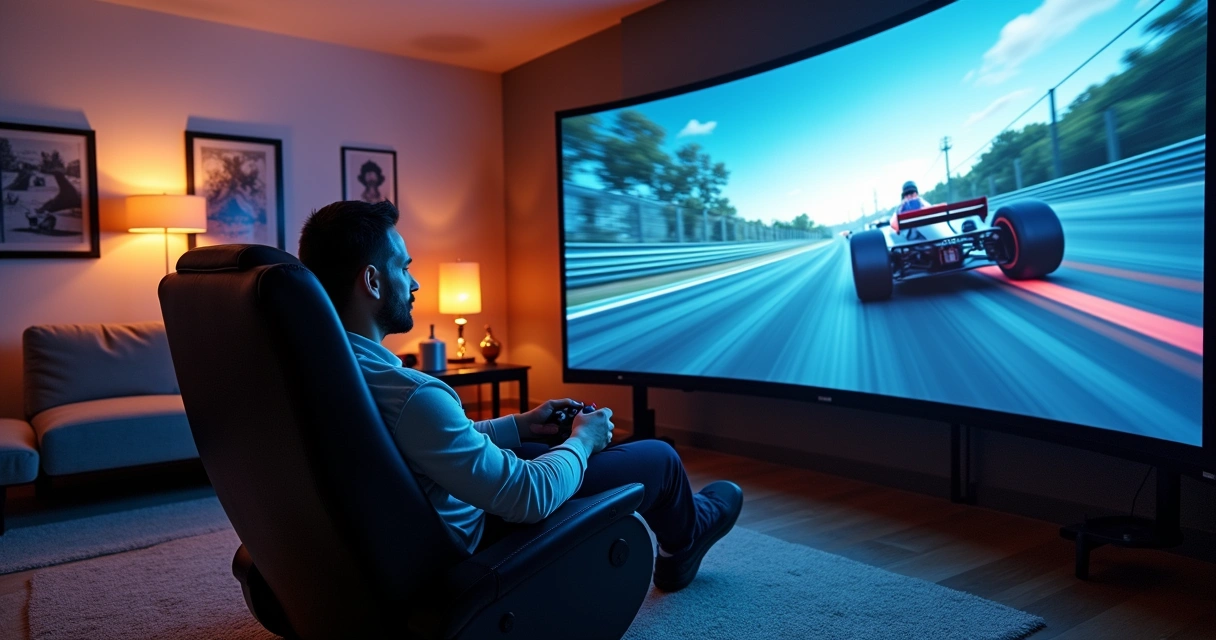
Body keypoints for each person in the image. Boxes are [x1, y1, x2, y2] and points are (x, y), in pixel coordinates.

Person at [297, 200, 743, 592]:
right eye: (405, 268)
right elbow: (526, 496)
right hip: (472, 547)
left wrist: (520, 424)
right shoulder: (412, 394)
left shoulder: (324, 372)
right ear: (372, 281)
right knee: (659, 458)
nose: (414, 285)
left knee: (534, 445)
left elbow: (417, 443)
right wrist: (583, 441)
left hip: (403, 533)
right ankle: (686, 539)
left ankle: (671, 515)